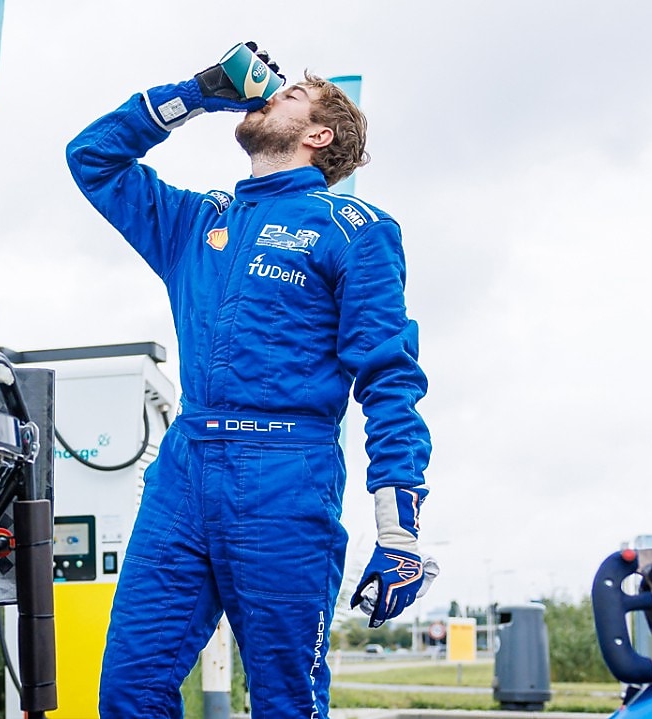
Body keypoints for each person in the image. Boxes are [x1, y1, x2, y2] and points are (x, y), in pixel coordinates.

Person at [65, 43, 435, 718]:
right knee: (128, 692)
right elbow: (93, 157)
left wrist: (400, 531)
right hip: (183, 472)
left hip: (285, 474)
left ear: (318, 135)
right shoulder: (197, 222)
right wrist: (200, 91)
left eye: (290, 95)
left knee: (284, 701)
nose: (267, 96)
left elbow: (390, 379)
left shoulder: (353, 229)